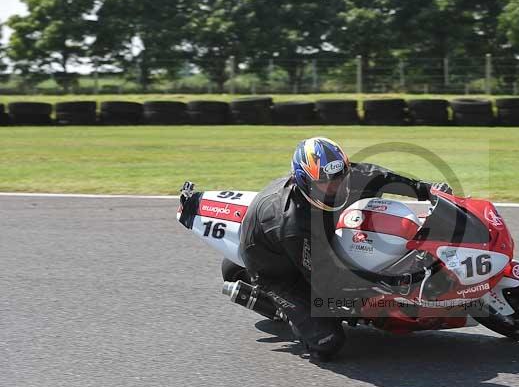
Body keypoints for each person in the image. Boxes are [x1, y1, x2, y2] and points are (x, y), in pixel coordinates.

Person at [180, 136, 451, 360]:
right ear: (303, 180)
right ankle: (274, 303)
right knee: (328, 341)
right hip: (275, 267)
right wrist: (389, 280)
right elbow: (326, 279)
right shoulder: (293, 223)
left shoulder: (340, 174)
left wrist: (428, 191)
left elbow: (380, 177)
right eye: (324, 182)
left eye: (340, 178)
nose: (334, 187)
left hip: (312, 236)